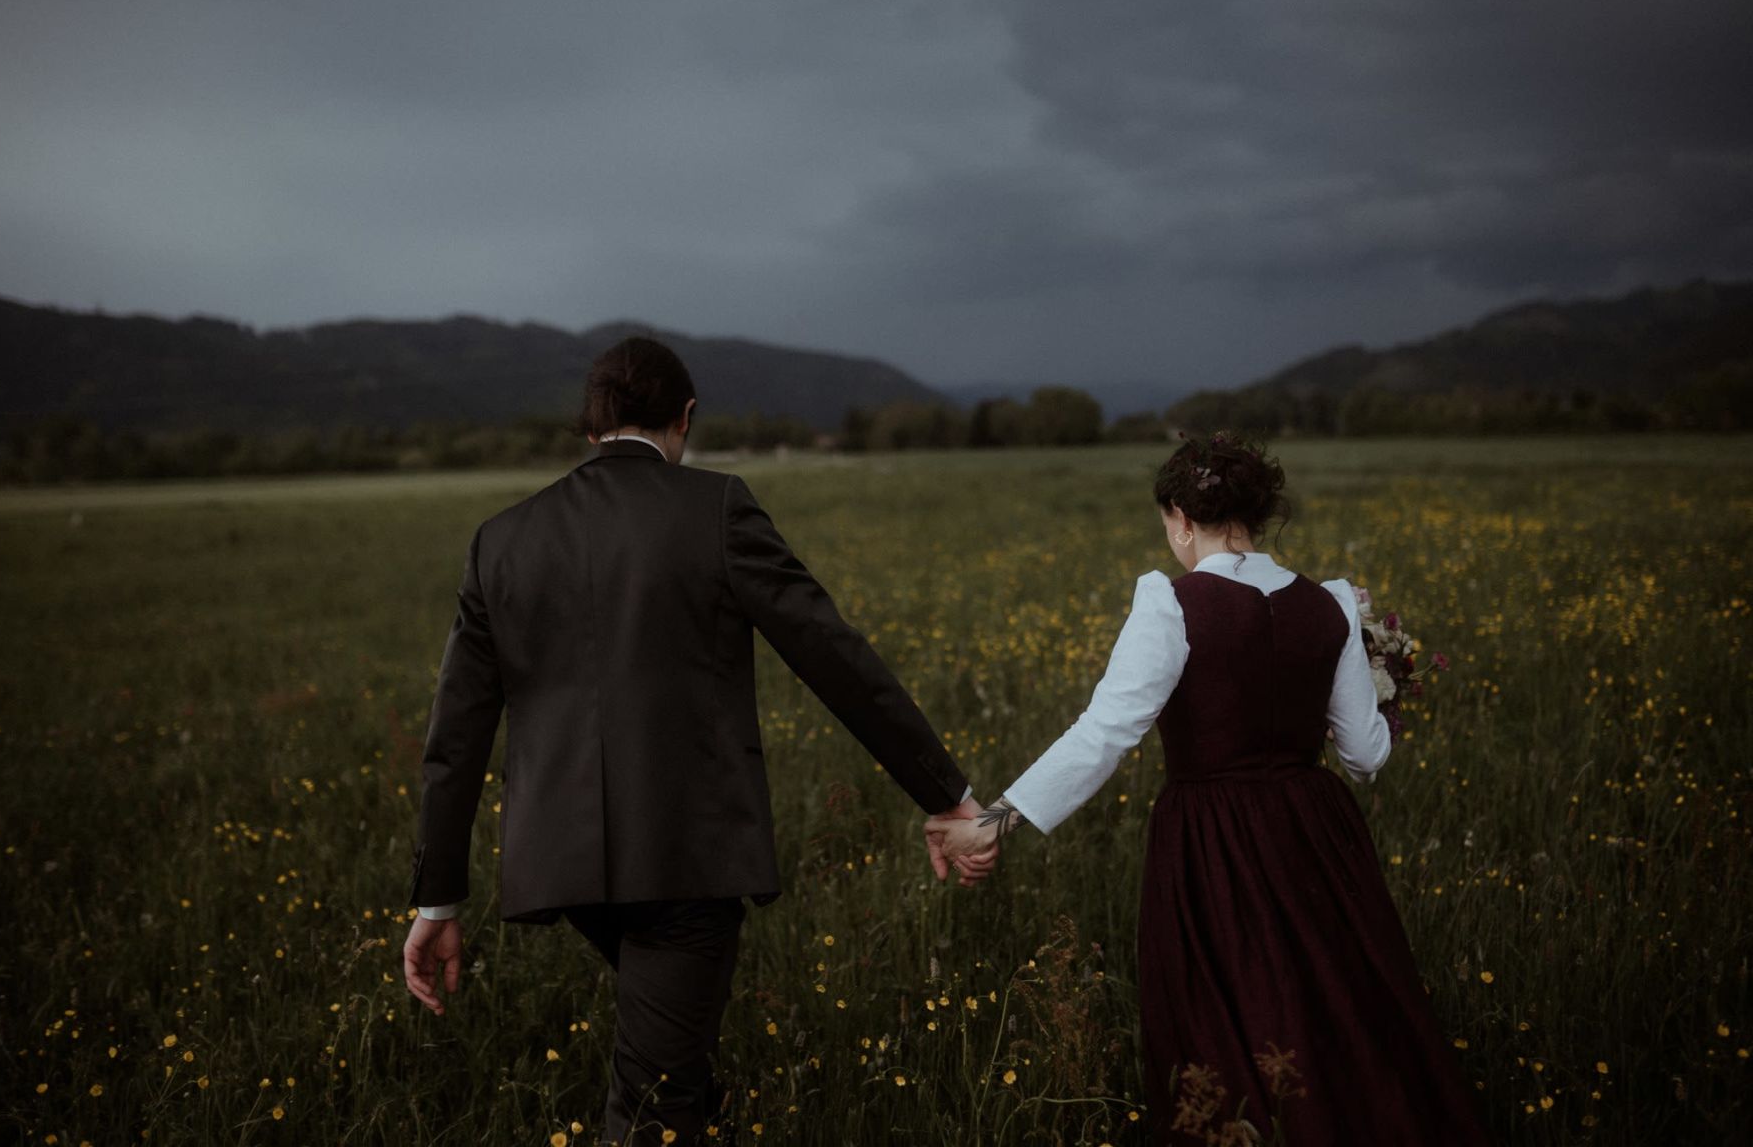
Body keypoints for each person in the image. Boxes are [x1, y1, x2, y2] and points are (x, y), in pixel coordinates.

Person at [401, 336, 982, 1145]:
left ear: (591, 422)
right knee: (651, 1110)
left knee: (678, 1063)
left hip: (561, 865)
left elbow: (454, 734)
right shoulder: (716, 508)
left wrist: (438, 899)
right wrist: (947, 794)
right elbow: (833, 656)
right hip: (687, 857)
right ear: (686, 418)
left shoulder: (501, 538)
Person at [925, 431, 1490, 1145]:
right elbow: (1366, 757)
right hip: (1318, 834)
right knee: (1338, 1008)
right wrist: (1383, 686)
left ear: (1183, 520)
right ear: (1258, 518)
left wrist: (995, 822)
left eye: (1168, 525)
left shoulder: (1172, 605)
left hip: (1213, 841)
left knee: (1230, 1020)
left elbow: (1105, 733)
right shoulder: (1335, 606)